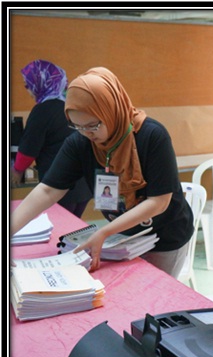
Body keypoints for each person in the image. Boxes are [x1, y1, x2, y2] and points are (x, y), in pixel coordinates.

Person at [10, 67, 193, 277]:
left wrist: (105, 231)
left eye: (93, 125)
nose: (87, 133)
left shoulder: (152, 136)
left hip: (164, 236)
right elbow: (48, 191)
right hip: (123, 236)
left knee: (154, 292)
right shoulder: (81, 142)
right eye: (78, 126)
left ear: (110, 110)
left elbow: (159, 202)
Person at [11, 60, 92, 217]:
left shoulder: (43, 110)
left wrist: (17, 171)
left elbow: (29, 148)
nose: (27, 88)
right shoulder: (74, 105)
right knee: (73, 226)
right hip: (84, 185)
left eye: (28, 84)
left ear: (42, 83)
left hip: (59, 186)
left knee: (59, 228)